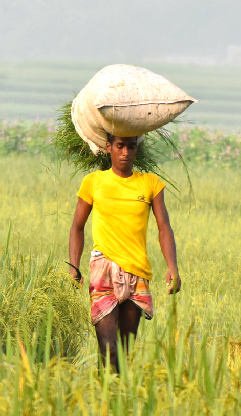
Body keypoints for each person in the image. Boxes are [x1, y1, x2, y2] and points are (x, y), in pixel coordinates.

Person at [69, 133, 182, 372]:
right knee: (108, 348)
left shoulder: (151, 183)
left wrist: (172, 267)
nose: (125, 153)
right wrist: (74, 266)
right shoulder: (93, 182)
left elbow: (164, 228)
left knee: (123, 350)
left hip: (138, 273)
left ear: (137, 150)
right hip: (103, 270)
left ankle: (114, 400)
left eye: (131, 147)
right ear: (109, 147)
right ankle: (107, 398)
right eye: (120, 146)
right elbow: (77, 227)